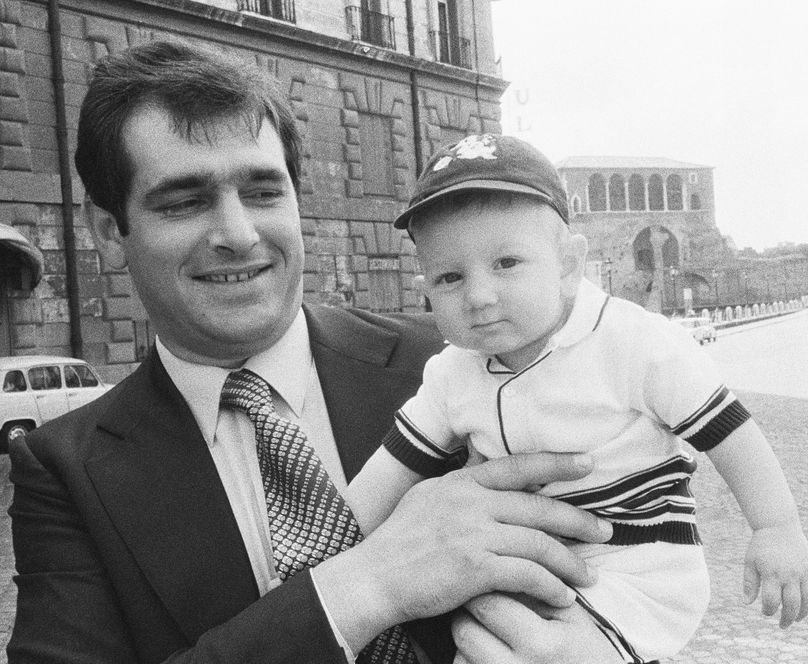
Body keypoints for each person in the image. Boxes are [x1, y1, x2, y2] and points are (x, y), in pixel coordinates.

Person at [6, 41, 623, 664]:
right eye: (186, 202)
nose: (239, 235)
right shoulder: (64, 472)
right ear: (111, 231)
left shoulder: (456, 365)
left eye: (264, 191)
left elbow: (617, 560)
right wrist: (368, 583)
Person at [347, 134, 808, 662]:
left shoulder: (632, 342)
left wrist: (776, 527)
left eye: (506, 263)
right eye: (450, 277)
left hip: (633, 568)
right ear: (425, 292)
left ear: (569, 265)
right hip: (519, 574)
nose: (479, 296)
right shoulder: (451, 373)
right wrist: (327, 551)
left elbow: (729, 432)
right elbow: (389, 471)